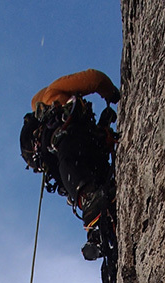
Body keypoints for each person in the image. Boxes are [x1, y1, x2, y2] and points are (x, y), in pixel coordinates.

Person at [20, 69, 119, 227]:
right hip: (74, 144)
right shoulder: (52, 93)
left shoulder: (48, 149)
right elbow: (94, 79)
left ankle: (91, 202)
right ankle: (91, 197)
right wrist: (112, 93)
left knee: (78, 163)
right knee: (74, 152)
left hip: (69, 165)